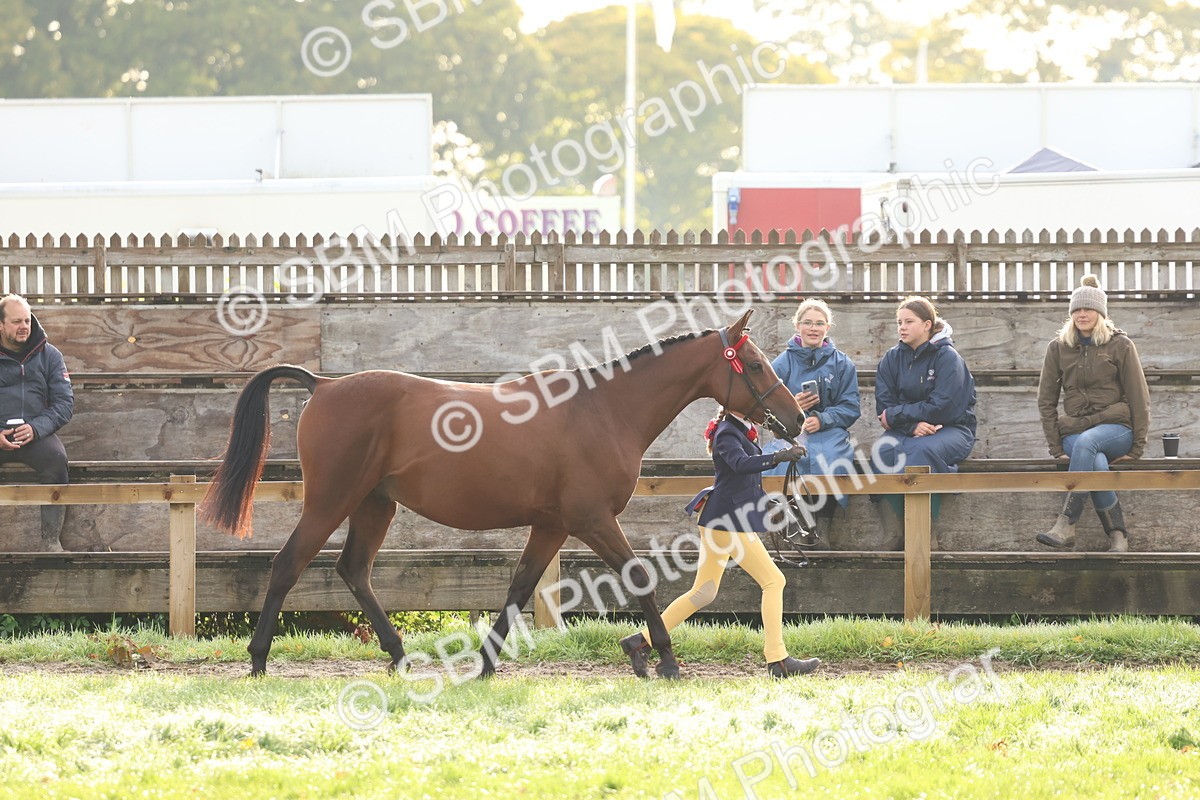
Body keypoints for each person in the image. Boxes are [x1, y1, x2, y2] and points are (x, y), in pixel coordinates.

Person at [620, 410, 820, 679]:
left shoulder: (739, 429)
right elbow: (740, 464)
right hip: (727, 522)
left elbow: (741, 478)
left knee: (703, 593)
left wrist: (766, 501)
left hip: (724, 519)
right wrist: (777, 457)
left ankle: (640, 641)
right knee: (774, 581)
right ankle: (778, 660)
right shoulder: (727, 431)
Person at [1034, 274, 1149, 552]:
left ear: (1100, 313)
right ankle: (1118, 534)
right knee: (1094, 461)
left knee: (1090, 443)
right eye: (1077, 309)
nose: (1082, 314)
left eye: (1088, 309)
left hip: (1116, 429)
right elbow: (1045, 399)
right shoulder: (1058, 348)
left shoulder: (1120, 345)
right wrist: (1054, 446)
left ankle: (1066, 523)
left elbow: (1139, 396)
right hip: (1074, 432)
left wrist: (1137, 447)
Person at [872, 296, 977, 550]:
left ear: (927, 324)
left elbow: (944, 406)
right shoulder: (891, 358)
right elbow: (883, 407)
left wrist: (902, 416)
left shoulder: (947, 357)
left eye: (909, 321)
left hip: (952, 429)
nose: (902, 327)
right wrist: (911, 426)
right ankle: (896, 533)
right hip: (907, 430)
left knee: (920, 451)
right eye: (899, 322)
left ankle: (925, 534)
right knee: (883, 451)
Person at [762, 299, 861, 547]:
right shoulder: (780, 364)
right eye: (807, 322)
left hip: (829, 433)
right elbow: (766, 408)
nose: (813, 328)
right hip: (790, 433)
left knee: (829, 456)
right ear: (797, 325)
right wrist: (793, 407)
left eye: (819, 323)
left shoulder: (842, 363)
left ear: (828, 327)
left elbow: (851, 407)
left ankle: (822, 528)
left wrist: (822, 418)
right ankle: (792, 526)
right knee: (780, 458)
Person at [0, 294, 74, 551]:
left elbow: (64, 403)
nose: (24, 326)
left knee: (56, 460)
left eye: (27, 320)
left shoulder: (50, 355)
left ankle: (50, 542)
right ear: (1, 325)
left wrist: (36, 428)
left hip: (35, 433)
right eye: (16, 321)